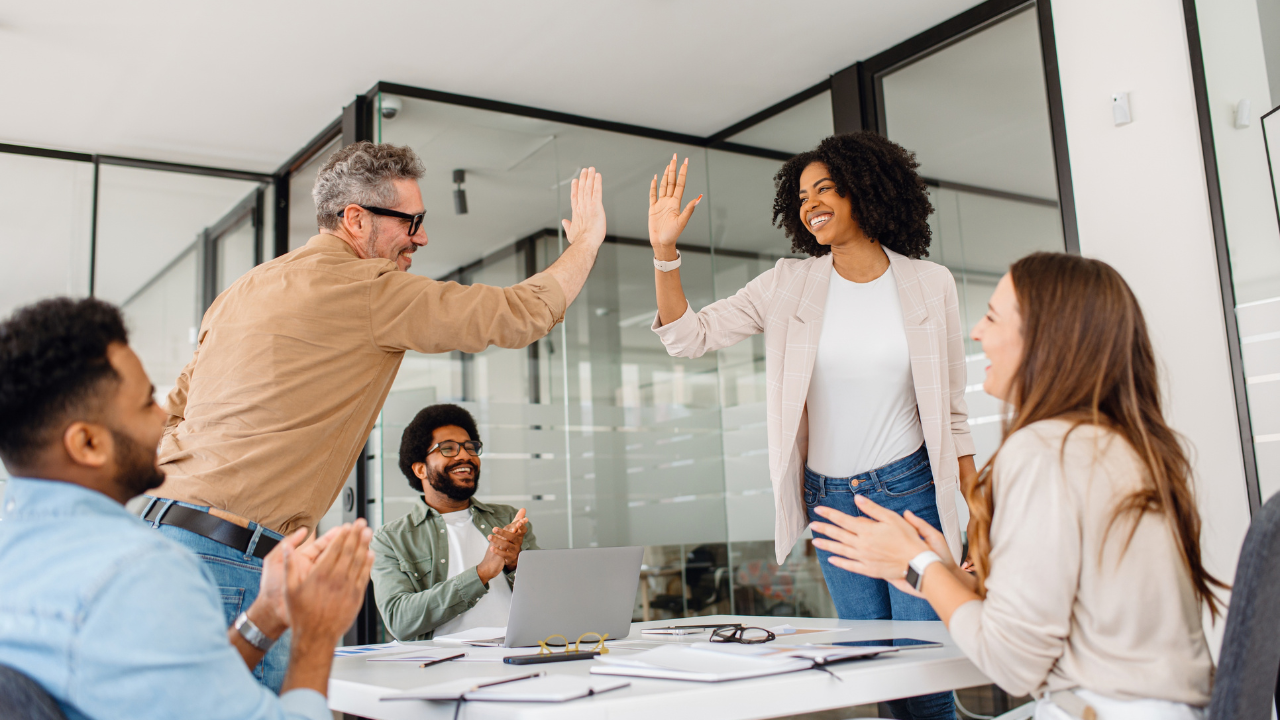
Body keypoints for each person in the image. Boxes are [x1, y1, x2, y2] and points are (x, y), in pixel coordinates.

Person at [143, 142, 606, 689]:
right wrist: (586, 243)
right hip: (234, 564)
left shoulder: (243, 289)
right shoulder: (368, 289)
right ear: (355, 219)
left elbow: (171, 410)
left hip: (159, 538)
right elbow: (517, 316)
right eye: (411, 221)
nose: (422, 236)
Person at [648, 134, 974, 720]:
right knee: (874, 675)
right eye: (802, 195)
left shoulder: (932, 284)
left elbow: (952, 410)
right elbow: (687, 337)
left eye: (825, 188)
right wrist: (664, 254)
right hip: (831, 505)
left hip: (911, 494)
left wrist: (978, 520)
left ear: (867, 190)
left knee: (923, 675)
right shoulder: (787, 284)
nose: (810, 203)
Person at [811, 253, 1220, 720]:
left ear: (1046, 340)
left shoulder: (1045, 450)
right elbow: (1057, 601)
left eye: (991, 317)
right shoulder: (1121, 446)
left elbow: (1013, 664)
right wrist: (949, 572)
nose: (977, 333)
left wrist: (918, 566)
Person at [0, 297, 375, 720]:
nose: (164, 416)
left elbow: (181, 701)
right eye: (146, 404)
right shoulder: (140, 570)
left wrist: (267, 615)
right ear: (88, 444)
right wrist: (317, 632)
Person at [371, 404, 536, 641]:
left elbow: (547, 599)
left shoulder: (508, 519)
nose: (465, 456)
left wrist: (514, 565)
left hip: (518, 655)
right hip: (442, 667)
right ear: (420, 470)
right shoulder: (391, 539)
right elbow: (399, 620)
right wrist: (481, 574)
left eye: (471, 448)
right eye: (447, 448)